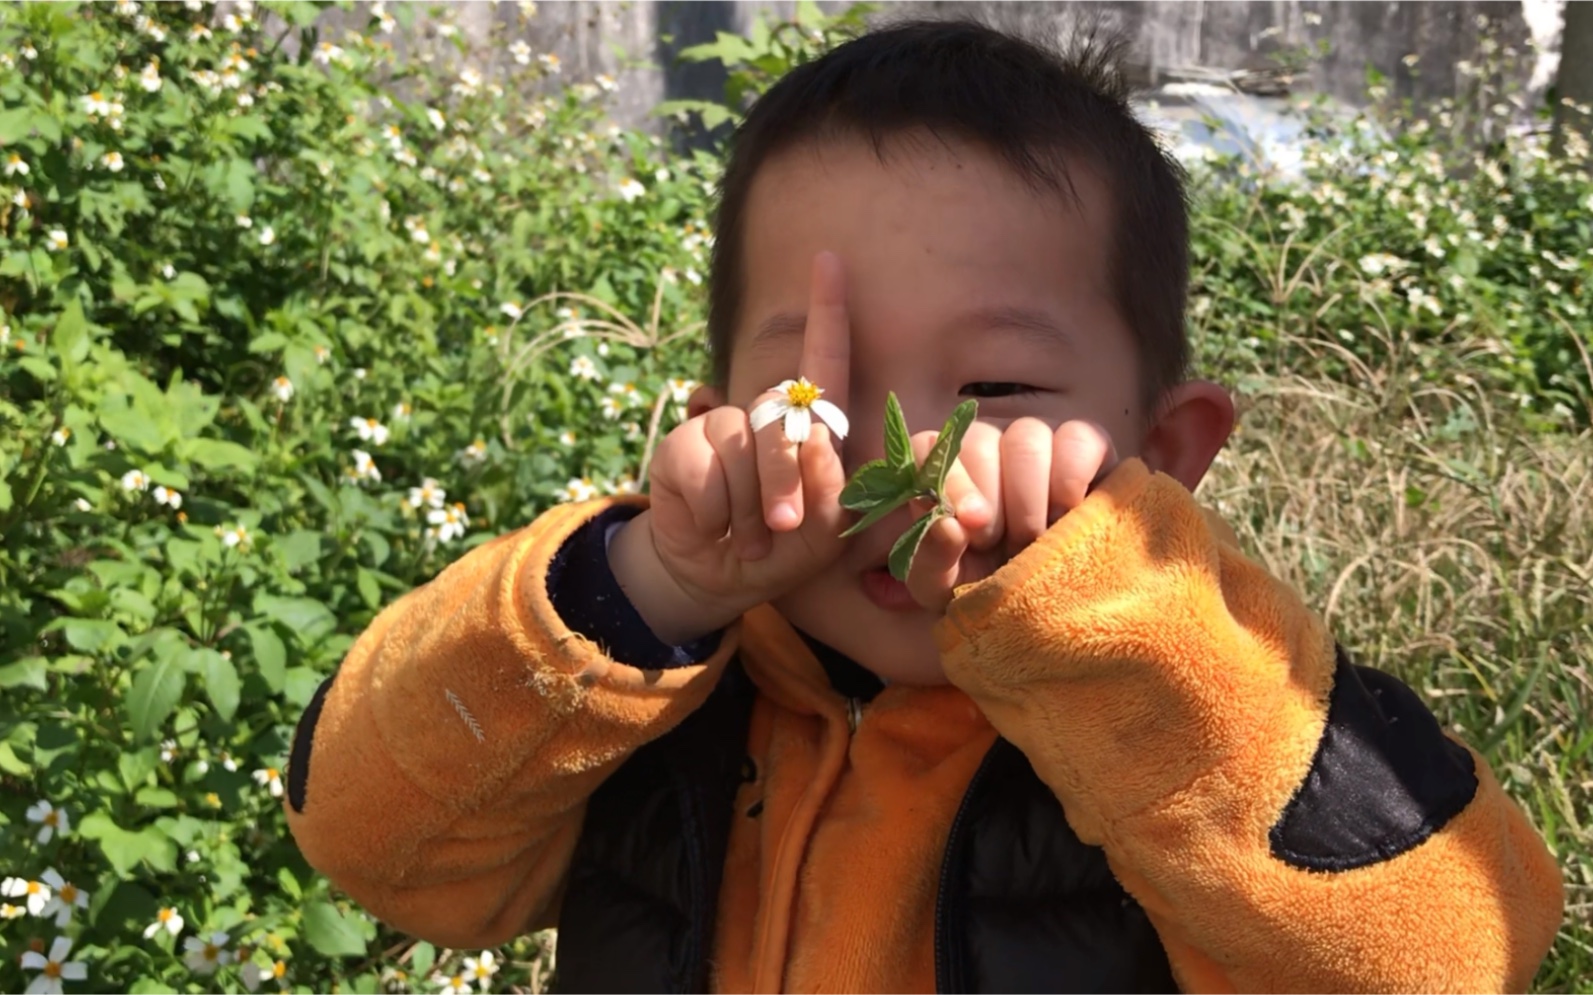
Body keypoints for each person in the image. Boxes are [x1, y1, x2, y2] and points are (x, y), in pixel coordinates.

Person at [284, 19, 1563, 993]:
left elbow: (1453, 953)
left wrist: (1109, 611)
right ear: (708, 417)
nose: (894, 467)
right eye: (811, 389)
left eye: (996, 386)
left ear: (1166, 449)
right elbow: (370, 838)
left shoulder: (1210, 713)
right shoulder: (653, 690)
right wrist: (645, 587)